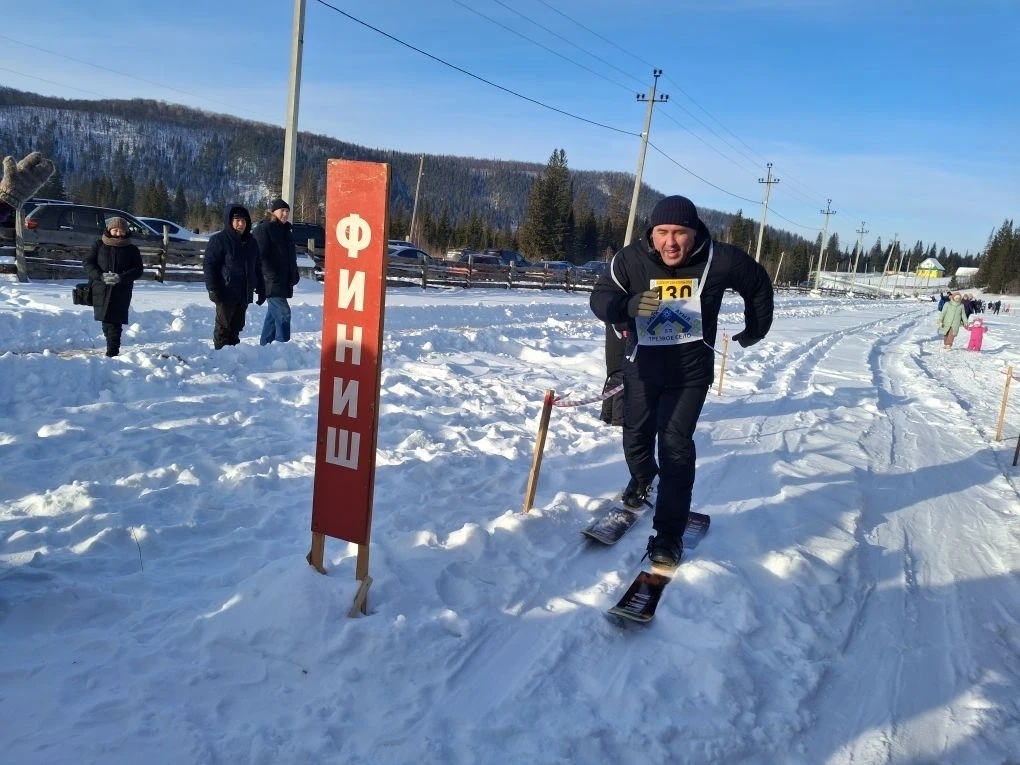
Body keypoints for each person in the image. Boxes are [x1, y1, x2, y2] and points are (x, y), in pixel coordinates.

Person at [590, 195, 774, 568]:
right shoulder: (630, 259)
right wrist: (627, 306)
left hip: (690, 373)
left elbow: (757, 284)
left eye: (679, 233)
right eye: (662, 232)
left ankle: (668, 535)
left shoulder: (719, 258)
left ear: (695, 233)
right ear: (651, 233)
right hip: (642, 367)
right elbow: (601, 297)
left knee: (674, 445)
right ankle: (642, 481)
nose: (670, 242)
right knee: (636, 433)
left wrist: (755, 329)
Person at [203, 204, 263, 349]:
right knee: (223, 327)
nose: (241, 224)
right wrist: (212, 289)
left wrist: (262, 288)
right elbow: (209, 265)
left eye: (244, 220)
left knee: (237, 327)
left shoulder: (251, 242)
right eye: (237, 220)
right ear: (229, 221)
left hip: (243, 293)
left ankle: (233, 355)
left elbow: (257, 267)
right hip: (225, 292)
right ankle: (221, 356)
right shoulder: (219, 240)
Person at [82, 216, 144, 357]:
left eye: (121, 231)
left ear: (126, 231)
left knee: (115, 322)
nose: (118, 233)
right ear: (109, 230)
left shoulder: (132, 249)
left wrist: (120, 277)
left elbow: (138, 270)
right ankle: (111, 344)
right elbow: (88, 263)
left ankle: (113, 351)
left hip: (121, 290)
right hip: (101, 288)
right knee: (105, 320)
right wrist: (100, 275)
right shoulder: (99, 245)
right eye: (115, 230)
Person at [253, 198, 300, 345]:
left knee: (273, 316)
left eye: (287, 211)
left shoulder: (287, 232)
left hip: (283, 279)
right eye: (282, 211)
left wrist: (294, 274)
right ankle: (283, 346)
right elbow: (258, 255)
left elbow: (290, 258)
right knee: (283, 313)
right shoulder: (264, 229)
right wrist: (268, 274)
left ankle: (265, 347)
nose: (285, 214)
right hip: (270, 280)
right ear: (274, 212)